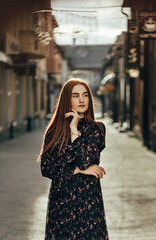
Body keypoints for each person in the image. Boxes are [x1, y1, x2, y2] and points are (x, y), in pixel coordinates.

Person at [38, 78, 109, 240]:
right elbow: (46, 168)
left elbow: (84, 160)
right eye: (76, 95)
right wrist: (78, 170)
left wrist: (74, 131)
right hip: (61, 201)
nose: (82, 100)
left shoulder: (96, 129)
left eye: (85, 95)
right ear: (66, 99)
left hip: (88, 200)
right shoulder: (54, 131)